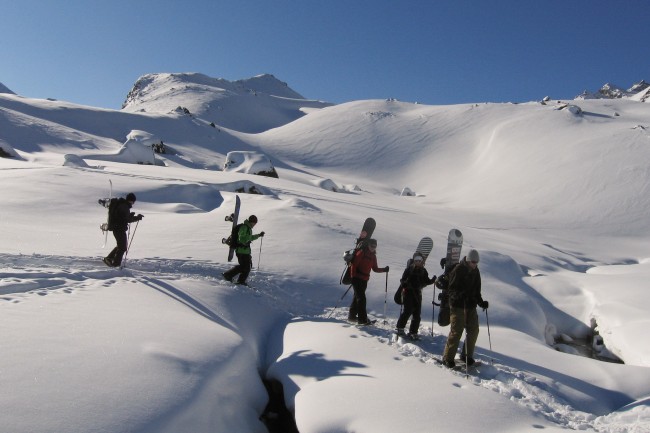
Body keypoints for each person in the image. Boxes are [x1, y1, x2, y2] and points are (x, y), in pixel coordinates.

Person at [441, 249, 488, 368]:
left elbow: (477, 291)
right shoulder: (459, 270)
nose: (475, 264)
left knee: (474, 330)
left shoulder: (476, 272)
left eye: (477, 262)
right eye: (473, 262)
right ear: (468, 260)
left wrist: (481, 302)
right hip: (457, 306)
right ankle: (448, 358)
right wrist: (460, 295)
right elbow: (451, 290)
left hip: (470, 305)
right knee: (457, 331)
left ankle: (466, 356)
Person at [348, 238, 389, 325]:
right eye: (372, 246)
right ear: (368, 245)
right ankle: (362, 320)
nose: (373, 248)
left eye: (375, 246)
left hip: (364, 280)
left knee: (357, 298)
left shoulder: (373, 256)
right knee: (362, 299)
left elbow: (375, 269)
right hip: (357, 278)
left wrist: (384, 270)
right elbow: (354, 265)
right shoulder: (361, 252)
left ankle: (351, 316)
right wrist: (353, 277)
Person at [395, 253, 436, 340]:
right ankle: (400, 328)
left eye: (419, 260)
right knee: (407, 311)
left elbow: (426, 281)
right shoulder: (409, 269)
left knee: (417, 314)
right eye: (416, 260)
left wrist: (432, 280)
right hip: (408, 293)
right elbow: (402, 279)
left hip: (418, 294)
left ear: (422, 261)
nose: (418, 261)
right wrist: (404, 283)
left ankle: (413, 332)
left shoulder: (423, 271)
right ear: (414, 260)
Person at [222, 215, 265, 285]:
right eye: (254, 223)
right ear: (251, 222)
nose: (254, 225)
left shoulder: (248, 228)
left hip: (245, 251)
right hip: (241, 251)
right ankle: (229, 275)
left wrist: (259, 235)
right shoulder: (244, 227)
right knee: (245, 266)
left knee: (246, 267)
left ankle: (239, 280)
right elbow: (241, 237)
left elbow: (249, 237)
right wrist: (246, 240)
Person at [103, 192, 143, 268]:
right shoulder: (124, 206)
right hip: (119, 229)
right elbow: (127, 219)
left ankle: (109, 259)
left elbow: (123, 217)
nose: (133, 203)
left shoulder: (122, 205)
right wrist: (137, 217)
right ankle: (115, 264)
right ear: (131, 200)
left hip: (117, 228)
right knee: (122, 247)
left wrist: (132, 216)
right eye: (133, 201)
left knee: (121, 246)